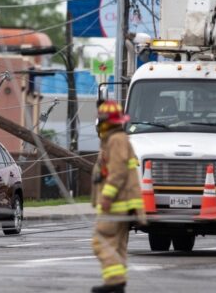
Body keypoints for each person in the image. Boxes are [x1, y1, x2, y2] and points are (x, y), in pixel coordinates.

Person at [91, 100, 146, 293]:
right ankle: (118, 282)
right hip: (123, 203)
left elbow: (117, 172)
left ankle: (114, 280)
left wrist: (106, 196)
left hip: (115, 204)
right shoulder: (115, 139)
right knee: (118, 245)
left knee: (101, 241)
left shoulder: (116, 140)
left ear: (105, 121)